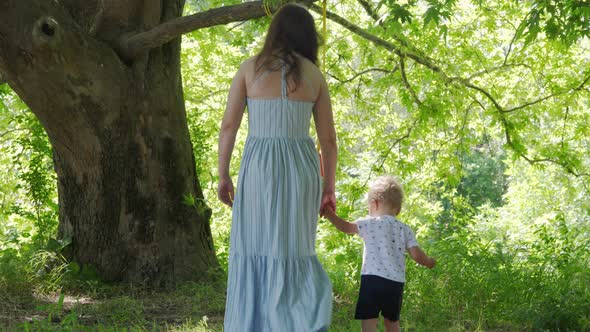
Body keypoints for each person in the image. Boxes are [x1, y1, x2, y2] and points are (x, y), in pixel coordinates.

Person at [217, 4, 337, 331]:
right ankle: (298, 320)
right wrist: (329, 187)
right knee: (295, 245)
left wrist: (223, 173)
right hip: (302, 168)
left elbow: (229, 126)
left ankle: (253, 323)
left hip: (260, 166)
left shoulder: (249, 69)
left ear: (275, 33)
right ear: (308, 36)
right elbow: (328, 141)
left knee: (254, 242)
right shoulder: (314, 75)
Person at [322, 175, 436, 332]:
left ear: (374, 204)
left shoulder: (369, 223)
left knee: (369, 322)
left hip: (372, 281)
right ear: (398, 209)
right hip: (395, 284)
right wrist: (429, 261)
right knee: (392, 323)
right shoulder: (404, 229)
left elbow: (346, 227)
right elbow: (416, 255)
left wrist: (329, 214)